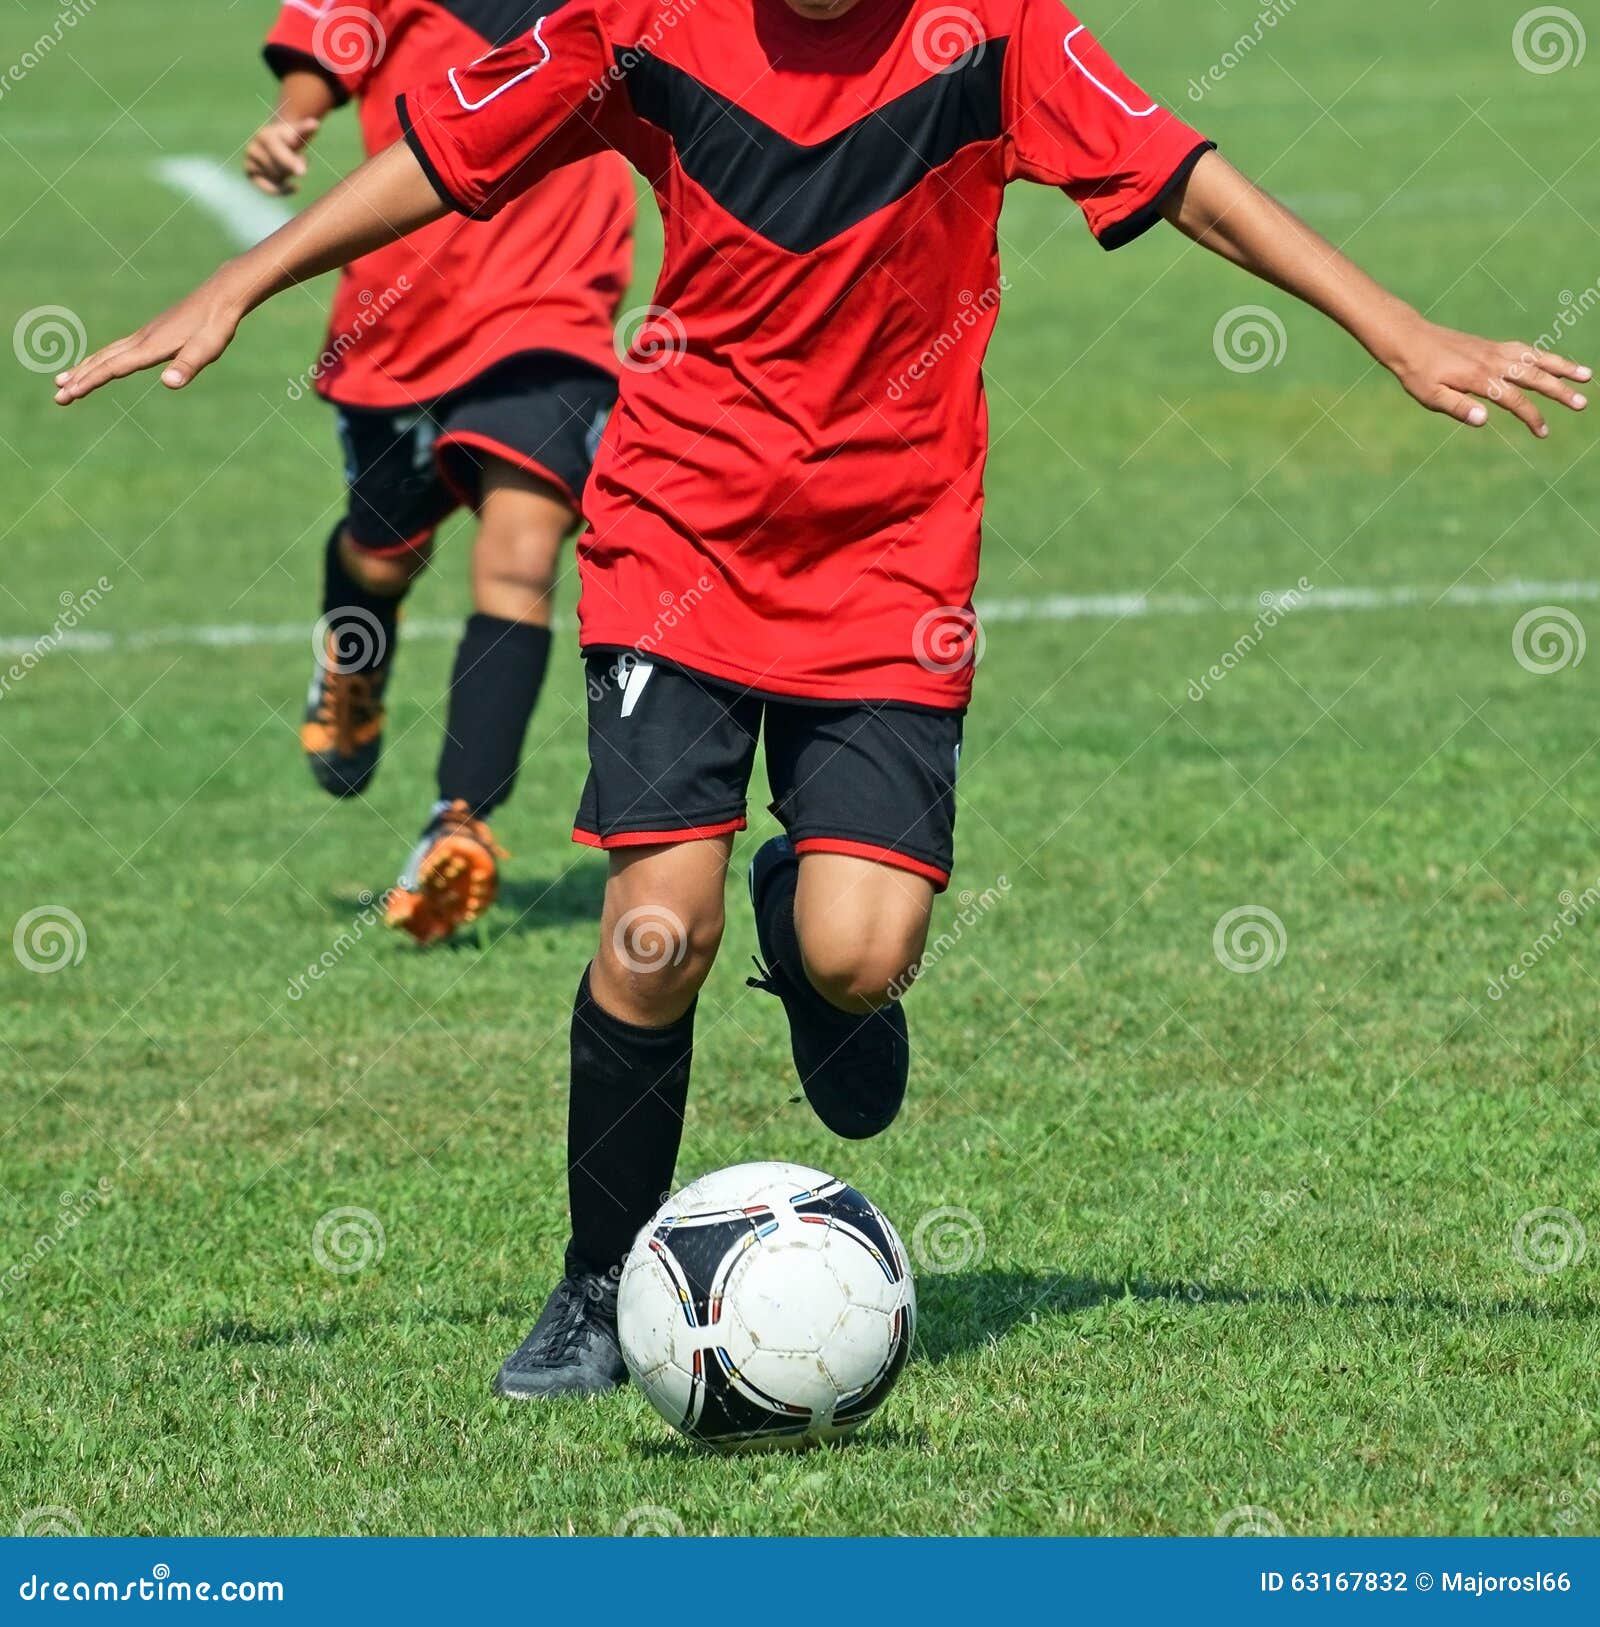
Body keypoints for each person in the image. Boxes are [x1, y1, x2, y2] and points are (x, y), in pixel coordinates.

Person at [55, 0, 1589, 1397]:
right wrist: (245, 282)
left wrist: (1397, 327)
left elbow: (1185, 176)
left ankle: (811, 925)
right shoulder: (638, 23)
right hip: (678, 526)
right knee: (655, 933)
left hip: (890, 551)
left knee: (862, 960)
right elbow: (448, 149)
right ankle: (599, 1280)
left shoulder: (994, 38)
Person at [249, 0, 635, 943]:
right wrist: (294, 117)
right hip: (401, 316)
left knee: (520, 555)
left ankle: (459, 819)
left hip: (555, 310)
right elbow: (327, 43)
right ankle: (353, 662)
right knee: (381, 559)